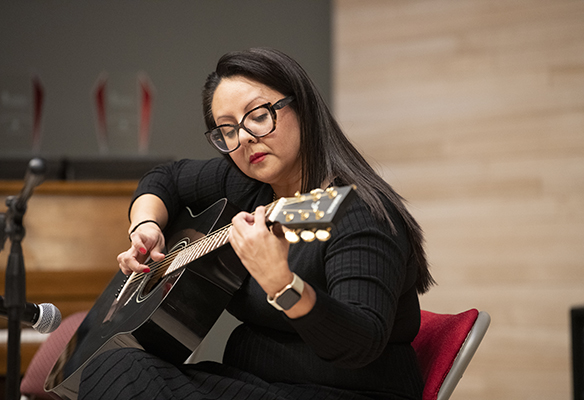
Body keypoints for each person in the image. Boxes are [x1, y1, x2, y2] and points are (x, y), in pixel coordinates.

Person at [78, 47, 434, 400]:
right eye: (227, 130)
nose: (245, 137)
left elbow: (361, 342)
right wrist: (146, 225)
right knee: (115, 364)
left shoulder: (362, 215)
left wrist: (281, 283)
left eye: (259, 115)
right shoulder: (247, 185)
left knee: (116, 371)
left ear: (302, 107)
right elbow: (165, 178)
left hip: (345, 391)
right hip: (253, 382)